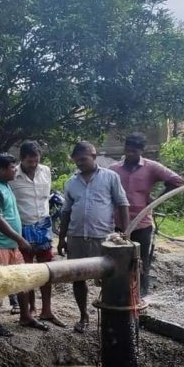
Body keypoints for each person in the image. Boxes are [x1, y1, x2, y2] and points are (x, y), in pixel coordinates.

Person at [57, 141, 129, 332]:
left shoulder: (110, 177)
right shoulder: (71, 182)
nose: (79, 164)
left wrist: (126, 232)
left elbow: (122, 204)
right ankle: (84, 316)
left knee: (108, 279)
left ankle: (109, 317)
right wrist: (61, 238)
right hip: (77, 237)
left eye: (83, 159)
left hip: (102, 237)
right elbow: (66, 211)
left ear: (93, 156)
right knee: (78, 278)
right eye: (76, 161)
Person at [0, 153, 48, 335]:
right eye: (12, 167)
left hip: (10, 244)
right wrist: (21, 239)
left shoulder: (5, 185)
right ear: (1, 170)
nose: (15, 170)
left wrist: (17, 240)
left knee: (21, 281)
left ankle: (25, 316)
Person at [109, 132, 184, 297]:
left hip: (141, 223)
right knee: (118, 259)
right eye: (127, 150)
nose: (129, 154)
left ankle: (142, 294)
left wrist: (156, 200)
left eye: (134, 152)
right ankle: (120, 293)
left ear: (141, 151)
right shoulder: (114, 169)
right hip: (118, 224)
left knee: (141, 260)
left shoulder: (152, 167)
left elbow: (177, 181)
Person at [12, 140, 64, 326]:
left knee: (46, 270)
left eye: (36, 161)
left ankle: (47, 310)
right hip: (22, 228)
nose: (33, 165)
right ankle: (30, 308)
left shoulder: (46, 171)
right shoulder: (13, 176)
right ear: (22, 159)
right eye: (29, 162)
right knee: (26, 272)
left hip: (43, 226)